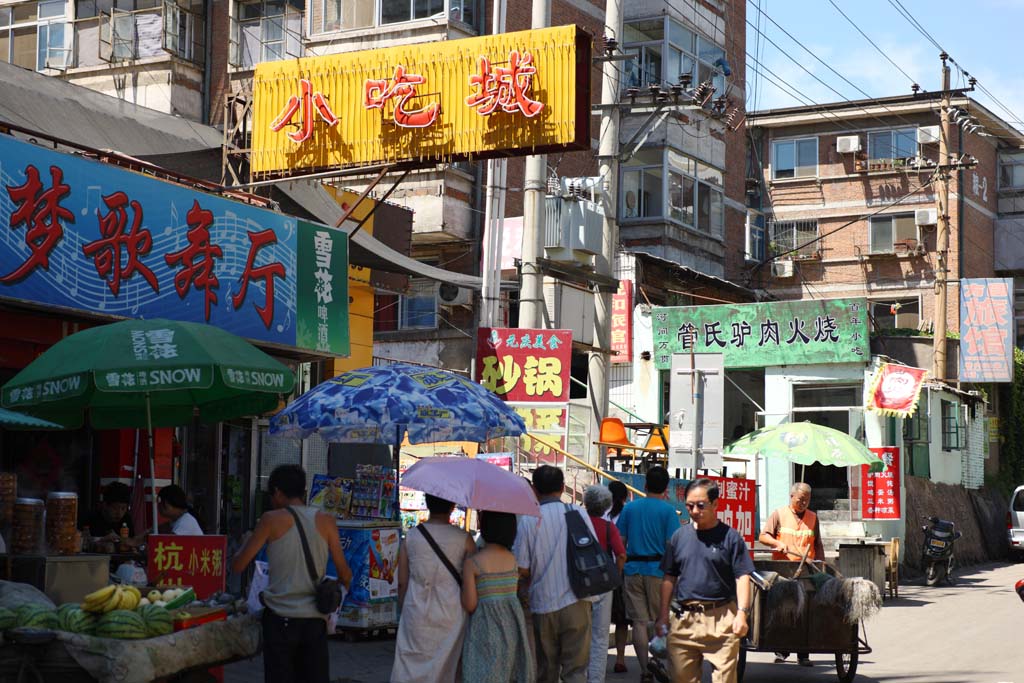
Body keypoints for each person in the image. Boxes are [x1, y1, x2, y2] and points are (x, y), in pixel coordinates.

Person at [231, 464, 352, 683]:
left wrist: (246, 540)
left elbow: (238, 565)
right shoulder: (326, 521)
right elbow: (345, 573)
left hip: (279, 621)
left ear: (277, 492)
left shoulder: (270, 520)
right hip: (315, 621)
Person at [656, 478, 754, 683]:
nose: (694, 510)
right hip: (684, 620)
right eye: (689, 505)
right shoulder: (678, 537)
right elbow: (668, 578)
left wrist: (742, 614)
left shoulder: (731, 537)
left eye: (701, 505)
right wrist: (663, 614)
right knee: (680, 678)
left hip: (722, 619)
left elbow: (742, 576)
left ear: (715, 504)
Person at [515, 465, 596, 683]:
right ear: (562, 488)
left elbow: (521, 568)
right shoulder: (577, 513)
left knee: (546, 670)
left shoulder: (529, 520)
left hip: (543, 604)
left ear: (534, 489)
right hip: (578, 601)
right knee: (576, 670)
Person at [391, 494, 476, 683]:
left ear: (428, 504)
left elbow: (402, 581)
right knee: (446, 667)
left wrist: (404, 607)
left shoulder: (411, 537)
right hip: (451, 612)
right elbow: (472, 579)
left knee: (410, 664)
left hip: (416, 610)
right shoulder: (464, 539)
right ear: (452, 506)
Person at [616, 465, 680, 682]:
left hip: (632, 570)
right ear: (666, 488)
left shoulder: (629, 509)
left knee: (639, 623)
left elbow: (621, 542)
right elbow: (672, 546)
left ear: (644, 485)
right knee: (658, 620)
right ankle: (659, 663)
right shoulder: (668, 511)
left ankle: (645, 671)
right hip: (658, 573)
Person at [461, 510, 533, 683]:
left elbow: (470, 604)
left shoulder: (473, 563)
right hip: (512, 627)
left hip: (484, 628)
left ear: (484, 527)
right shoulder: (513, 560)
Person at [758, 482, 825, 667]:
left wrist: (821, 563)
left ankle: (803, 654)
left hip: (806, 570)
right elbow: (763, 536)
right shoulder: (779, 514)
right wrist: (776, 543)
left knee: (806, 611)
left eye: (807, 500)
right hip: (783, 570)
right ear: (791, 497)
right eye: (800, 499)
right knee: (784, 609)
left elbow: (818, 543)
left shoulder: (813, 517)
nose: (804, 503)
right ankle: (782, 650)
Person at [583, 485, 625, 683]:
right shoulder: (609, 527)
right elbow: (621, 554)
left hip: (581, 583)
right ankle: (596, 679)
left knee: (582, 633)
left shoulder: (577, 524)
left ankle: (579, 675)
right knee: (600, 636)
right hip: (604, 583)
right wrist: (616, 574)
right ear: (606, 505)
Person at [605, 480, 631, 675]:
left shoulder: (601, 514)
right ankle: (620, 658)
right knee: (622, 620)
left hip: (602, 572)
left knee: (600, 619)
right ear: (625, 496)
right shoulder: (627, 514)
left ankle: (596, 660)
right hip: (622, 570)